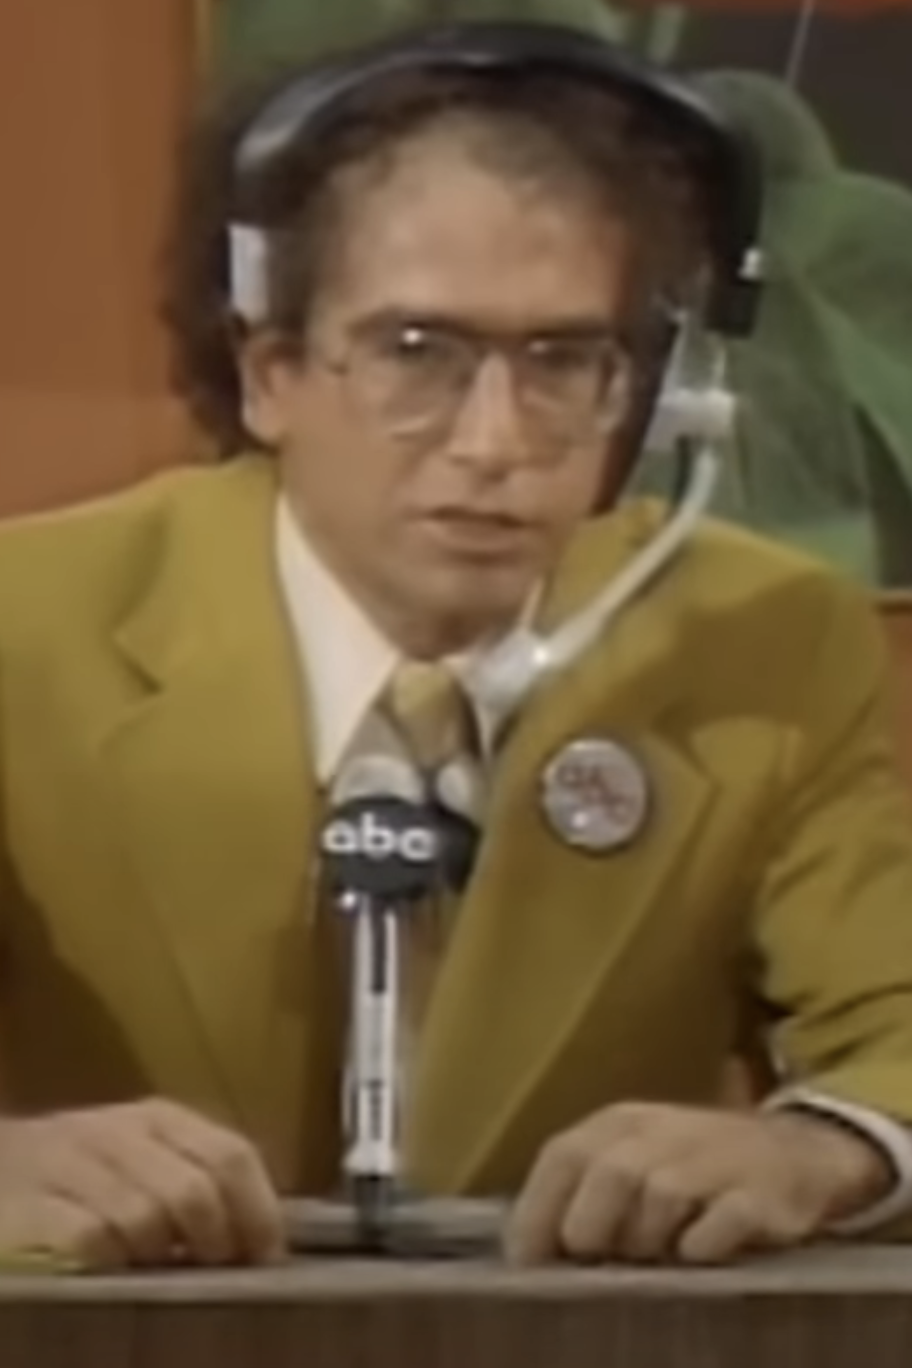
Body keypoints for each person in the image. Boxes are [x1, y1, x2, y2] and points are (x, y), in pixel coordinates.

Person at [0, 20, 910, 1274]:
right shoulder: (24, 628)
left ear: (643, 394)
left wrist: (819, 1149)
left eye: (563, 360)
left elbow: (899, 1036)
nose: (493, 440)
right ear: (270, 373)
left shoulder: (763, 639)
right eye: (417, 353)